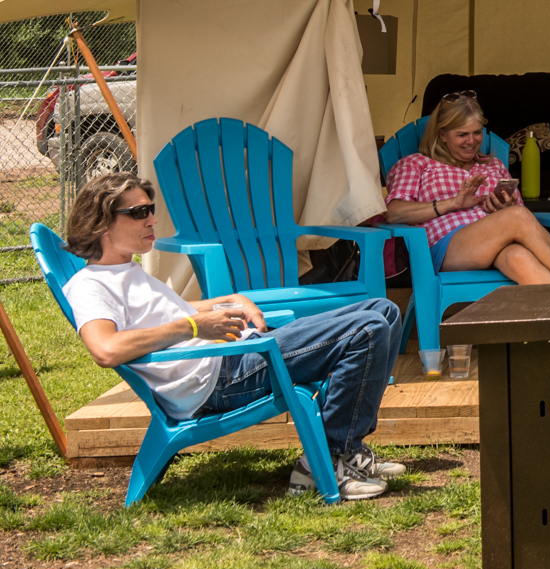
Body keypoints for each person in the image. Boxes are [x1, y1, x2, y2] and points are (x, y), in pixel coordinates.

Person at [60, 173, 405, 500]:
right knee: (367, 330)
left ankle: (348, 450)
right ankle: (330, 459)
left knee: (383, 310)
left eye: (151, 210)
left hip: (235, 354)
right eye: (138, 213)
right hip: (218, 379)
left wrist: (231, 300)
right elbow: (105, 349)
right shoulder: (91, 285)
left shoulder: (126, 269)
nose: (151, 220)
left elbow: (174, 312)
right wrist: (195, 328)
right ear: (102, 222)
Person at [384, 91, 550, 286]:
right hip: (446, 249)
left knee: (518, 257)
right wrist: (452, 203)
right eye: (462, 135)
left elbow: (525, 223)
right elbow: (394, 213)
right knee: (517, 217)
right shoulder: (417, 165)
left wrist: (506, 208)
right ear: (442, 135)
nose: (472, 141)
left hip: (499, 242)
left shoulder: (494, 166)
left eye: (477, 132)